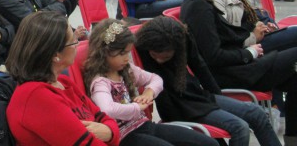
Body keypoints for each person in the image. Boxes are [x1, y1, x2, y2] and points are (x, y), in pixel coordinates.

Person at [179, 0, 297, 145]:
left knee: (295, 79)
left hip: (240, 65)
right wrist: (249, 52)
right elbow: (213, 56)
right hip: (235, 72)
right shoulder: (199, 9)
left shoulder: (200, 3)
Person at [135, 16, 282, 146]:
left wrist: (217, 96)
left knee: (257, 113)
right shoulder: (144, 46)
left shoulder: (181, 38)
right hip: (180, 107)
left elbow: (200, 66)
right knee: (239, 127)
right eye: (154, 55)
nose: (159, 60)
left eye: (166, 57)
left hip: (198, 96)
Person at [84, 19, 218, 146]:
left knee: (208, 143)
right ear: (104, 52)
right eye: (122, 53)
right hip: (124, 136)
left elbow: (156, 79)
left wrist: (149, 92)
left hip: (143, 125)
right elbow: (107, 109)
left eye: (128, 53)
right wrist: (137, 107)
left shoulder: (127, 70)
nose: (126, 59)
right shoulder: (100, 82)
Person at [6, 11, 120, 146]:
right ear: (55, 55)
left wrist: (110, 132)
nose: (77, 44)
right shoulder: (36, 96)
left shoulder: (64, 82)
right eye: (72, 41)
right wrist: (111, 133)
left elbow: (103, 117)